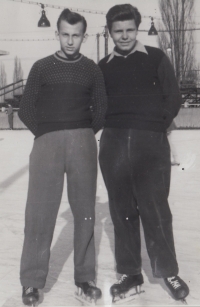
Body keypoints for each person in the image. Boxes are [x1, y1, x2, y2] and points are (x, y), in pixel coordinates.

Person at [98, 4, 189, 304]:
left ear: (137, 29)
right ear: (109, 32)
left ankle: (168, 271)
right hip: (113, 145)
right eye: (117, 31)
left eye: (129, 30)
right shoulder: (103, 66)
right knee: (121, 211)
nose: (124, 36)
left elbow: (172, 97)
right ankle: (130, 273)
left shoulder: (157, 58)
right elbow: (96, 105)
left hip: (150, 144)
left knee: (156, 209)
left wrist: (151, 128)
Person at [19, 8, 107, 306]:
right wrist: (46, 134)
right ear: (57, 34)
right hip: (47, 144)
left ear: (83, 36)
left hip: (83, 141)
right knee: (39, 214)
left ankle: (85, 278)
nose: (71, 41)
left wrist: (81, 132)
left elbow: (101, 108)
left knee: (85, 212)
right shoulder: (42, 67)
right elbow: (26, 108)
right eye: (65, 35)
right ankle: (31, 282)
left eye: (77, 35)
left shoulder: (92, 69)